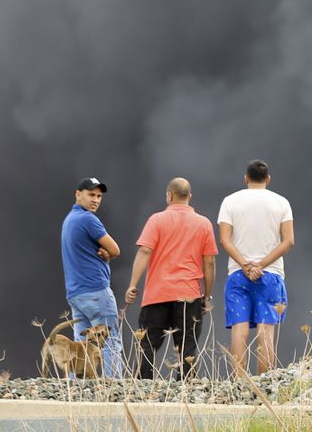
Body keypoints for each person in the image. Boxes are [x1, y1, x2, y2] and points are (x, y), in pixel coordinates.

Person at [125, 177, 218, 379]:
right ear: (190, 196)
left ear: (169, 195)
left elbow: (144, 252)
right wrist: (207, 296)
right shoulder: (204, 224)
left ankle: (142, 390)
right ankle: (185, 392)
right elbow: (209, 263)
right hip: (189, 295)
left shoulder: (156, 220)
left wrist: (133, 285)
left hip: (157, 294)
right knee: (187, 347)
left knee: (148, 345)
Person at [217, 160, 294, 376]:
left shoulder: (230, 202)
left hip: (238, 276)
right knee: (266, 332)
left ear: (246, 178)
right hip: (270, 275)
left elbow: (225, 240)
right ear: (268, 179)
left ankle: (239, 384)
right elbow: (288, 241)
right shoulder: (281, 203)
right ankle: (263, 386)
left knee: (239, 330)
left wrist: (245, 265)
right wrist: (260, 265)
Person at [60, 177, 122, 377]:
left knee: (81, 347)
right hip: (96, 291)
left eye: (99, 196)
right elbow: (115, 249)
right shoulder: (88, 219)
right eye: (91, 194)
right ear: (78, 195)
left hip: (75, 293)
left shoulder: (69, 220)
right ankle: (113, 391)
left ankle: (77, 392)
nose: (95, 199)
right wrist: (108, 253)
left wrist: (105, 253)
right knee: (110, 341)